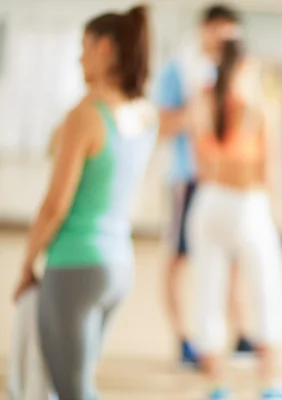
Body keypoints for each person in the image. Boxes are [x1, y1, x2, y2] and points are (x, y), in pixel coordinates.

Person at [13, 5, 157, 399]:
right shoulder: (143, 114)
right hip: (117, 265)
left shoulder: (86, 116)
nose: (79, 57)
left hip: (75, 265)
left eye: (84, 47)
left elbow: (54, 205)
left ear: (106, 47)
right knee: (76, 383)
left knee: (73, 390)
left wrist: (27, 264)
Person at [186, 39, 282, 400]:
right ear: (246, 69)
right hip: (248, 206)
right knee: (267, 289)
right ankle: (269, 383)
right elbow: (271, 178)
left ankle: (217, 384)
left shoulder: (203, 102)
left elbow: (199, 164)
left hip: (207, 202)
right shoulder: (262, 110)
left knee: (208, 289)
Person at [156, 4, 253, 366]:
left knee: (232, 258)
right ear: (205, 30)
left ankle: (239, 334)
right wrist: (201, 110)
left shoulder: (240, 71)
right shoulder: (180, 68)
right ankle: (184, 339)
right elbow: (162, 123)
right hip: (190, 178)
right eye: (220, 33)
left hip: (229, 181)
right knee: (179, 258)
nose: (225, 42)